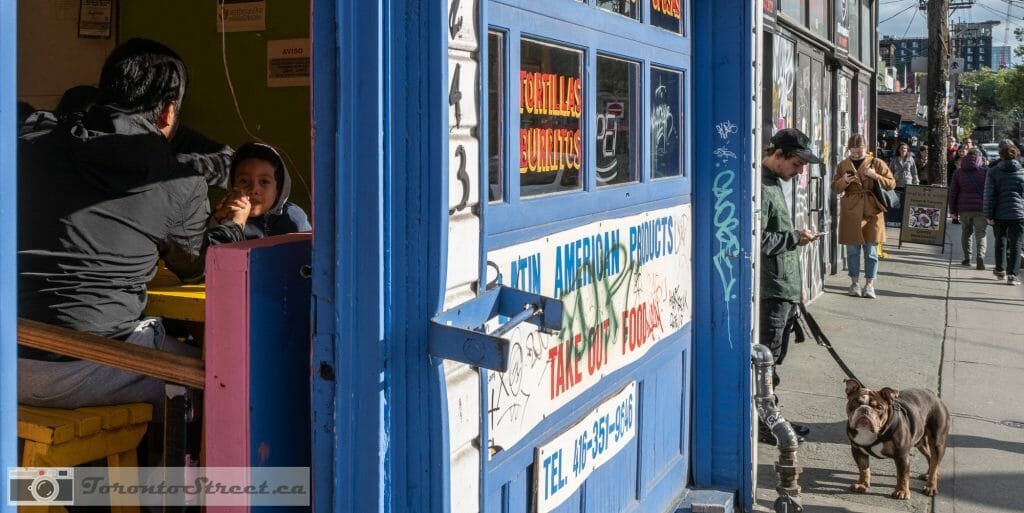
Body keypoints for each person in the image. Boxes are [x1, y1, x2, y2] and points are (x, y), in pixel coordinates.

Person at [17, 39, 246, 422]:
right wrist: (233, 229)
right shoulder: (178, 181)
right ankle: (173, 484)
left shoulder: (30, 142)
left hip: (11, 355)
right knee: (230, 381)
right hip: (91, 364)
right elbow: (196, 268)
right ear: (169, 112)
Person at [758, 128, 821, 444]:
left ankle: (772, 416)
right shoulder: (762, 187)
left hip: (782, 288)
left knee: (774, 358)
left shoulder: (771, 185)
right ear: (778, 155)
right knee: (766, 360)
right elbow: (758, 240)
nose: (799, 172)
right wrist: (794, 237)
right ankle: (766, 422)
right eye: (797, 164)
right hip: (771, 290)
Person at [833, 133, 896, 299]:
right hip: (851, 210)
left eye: (858, 152)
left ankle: (869, 285)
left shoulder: (876, 163)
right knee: (852, 250)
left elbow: (892, 183)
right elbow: (835, 188)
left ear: (865, 149)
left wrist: (875, 176)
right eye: (852, 152)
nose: (855, 155)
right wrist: (845, 180)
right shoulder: (843, 165)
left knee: (871, 251)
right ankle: (854, 283)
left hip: (872, 209)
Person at [212, 142, 311, 239]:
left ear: (278, 189)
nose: (253, 189)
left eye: (264, 181)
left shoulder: (293, 217)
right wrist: (222, 224)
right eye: (244, 181)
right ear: (232, 186)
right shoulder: (221, 216)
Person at [983, 142, 1024, 285]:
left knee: (1000, 241)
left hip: (999, 213)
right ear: (1016, 155)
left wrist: (988, 215)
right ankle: (1012, 275)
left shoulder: (993, 171)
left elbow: (989, 195)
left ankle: (1000, 269)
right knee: (1016, 244)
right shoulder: (1022, 171)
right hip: (1019, 214)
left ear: (1000, 156)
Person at [949, 150, 989, 269]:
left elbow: (953, 193)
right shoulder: (985, 171)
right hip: (981, 208)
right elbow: (990, 191)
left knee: (966, 233)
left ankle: (967, 259)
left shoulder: (958, 172)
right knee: (980, 233)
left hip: (964, 208)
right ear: (979, 157)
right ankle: (980, 257)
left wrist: (953, 210)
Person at [887, 142, 918, 225]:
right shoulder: (894, 159)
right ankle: (897, 220)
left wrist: (916, 183)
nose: (903, 150)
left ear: (907, 149)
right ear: (898, 150)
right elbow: (890, 172)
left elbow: (914, 172)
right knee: (897, 203)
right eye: (901, 148)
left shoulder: (911, 159)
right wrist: (890, 182)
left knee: (907, 203)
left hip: (908, 183)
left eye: (905, 148)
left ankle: (906, 221)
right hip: (897, 184)